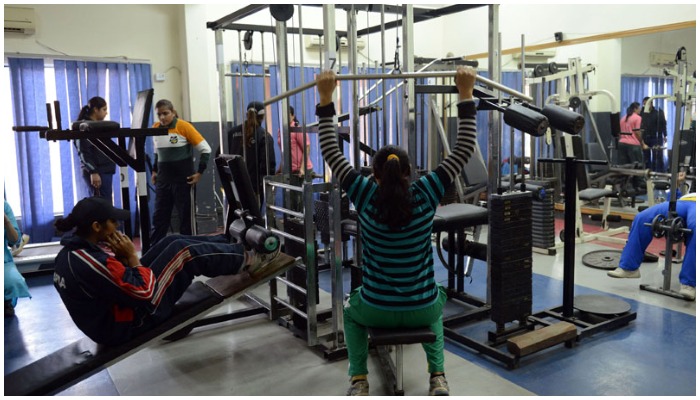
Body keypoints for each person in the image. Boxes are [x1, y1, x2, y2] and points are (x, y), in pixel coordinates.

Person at [315, 67, 477, 396]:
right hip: (421, 308)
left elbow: (331, 153)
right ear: (409, 173)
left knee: (350, 309)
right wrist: (465, 92)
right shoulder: (428, 191)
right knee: (436, 299)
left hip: (377, 308)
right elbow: (464, 148)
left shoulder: (364, 194)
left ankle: (359, 380)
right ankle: (438, 377)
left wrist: (325, 98)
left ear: (374, 174)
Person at [52, 196, 281, 346]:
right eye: (113, 222)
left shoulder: (72, 252)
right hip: (129, 324)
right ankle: (250, 258)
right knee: (183, 253)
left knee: (171, 241)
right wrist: (131, 256)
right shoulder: (91, 261)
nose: (118, 226)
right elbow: (144, 291)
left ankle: (230, 245)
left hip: (117, 315)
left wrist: (124, 260)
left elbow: (112, 282)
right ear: (96, 226)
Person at [607, 187, 695, 300]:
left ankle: (689, 283)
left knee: (696, 228)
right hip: (684, 200)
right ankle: (629, 268)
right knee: (642, 217)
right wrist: (677, 184)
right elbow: (673, 199)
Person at [150, 99, 212, 245]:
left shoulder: (184, 126)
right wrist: (154, 171)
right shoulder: (155, 128)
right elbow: (157, 153)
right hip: (163, 182)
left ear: (173, 112)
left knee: (186, 220)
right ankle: (154, 251)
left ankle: (190, 250)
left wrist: (199, 173)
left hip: (183, 182)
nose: (162, 117)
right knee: (159, 218)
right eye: (159, 114)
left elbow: (206, 149)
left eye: (165, 113)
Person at [227, 101, 276, 209]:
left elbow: (220, 156)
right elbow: (268, 164)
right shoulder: (264, 136)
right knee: (253, 218)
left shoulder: (232, 133)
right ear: (262, 116)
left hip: (234, 185)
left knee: (237, 218)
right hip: (254, 188)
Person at [75, 96, 117, 200]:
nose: (106, 113)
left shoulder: (96, 126)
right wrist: (93, 172)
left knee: (105, 204)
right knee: (101, 207)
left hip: (104, 170)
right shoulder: (85, 126)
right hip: (98, 172)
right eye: (104, 109)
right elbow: (84, 153)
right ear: (95, 110)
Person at [277, 105, 313, 211]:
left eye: (287, 115)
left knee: (300, 203)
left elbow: (307, 147)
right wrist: (280, 167)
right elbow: (284, 151)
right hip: (289, 170)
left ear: (293, 116)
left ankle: (303, 226)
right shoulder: (281, 130)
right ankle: (293, 225)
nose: (285, 118)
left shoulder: (297, 129)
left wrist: (302, 168)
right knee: (291, 202)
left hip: (301, 170)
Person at [5, 200, 31, 317]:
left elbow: (14, 240)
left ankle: (6, 302)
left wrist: (6, 221)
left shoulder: (3, 205)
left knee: (14, 282)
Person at [618, 102, 646, 190]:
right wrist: (642, 143)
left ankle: (624, 187)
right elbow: (637, 132)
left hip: (622, 144)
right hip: (633, 145)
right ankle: (639, 185)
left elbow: (619, 133)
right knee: (638, 166)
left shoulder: (623, 118)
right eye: (639, 108)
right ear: (635, 109)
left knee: (624, 167)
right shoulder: (637, 118)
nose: (640, 110)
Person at [640, 96, 667, 172]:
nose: (646, 106)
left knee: (657, 156)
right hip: (645, 138)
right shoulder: (642, 114)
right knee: (646, 157)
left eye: (647, 104)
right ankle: (648, 172)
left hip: (656, 138)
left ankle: (659, 173)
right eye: (644, 104)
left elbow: (663, 124)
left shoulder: (657, 113)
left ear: (651, 104)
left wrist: (665, 135)